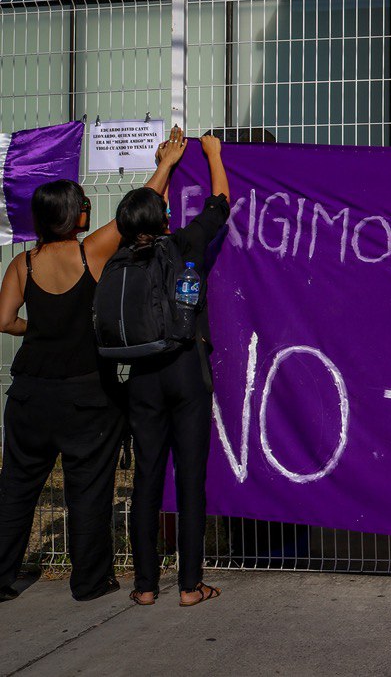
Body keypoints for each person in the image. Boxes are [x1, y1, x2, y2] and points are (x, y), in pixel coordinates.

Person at [0, 127, 188, 602]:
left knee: (16, 490)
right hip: (86, 396)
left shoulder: (22, 264)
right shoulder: (90, 253)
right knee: (88, 491)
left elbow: (4, 321)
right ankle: (89, 582)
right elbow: (139, 209)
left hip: (29, 395)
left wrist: (38, 332)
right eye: (82, 202)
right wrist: (166, 162)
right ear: (71, 213)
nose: (87, 207)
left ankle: (1, 578)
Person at [118, 132, 229, 608]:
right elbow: (220, 203)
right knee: (190, 479)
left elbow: (137, 213)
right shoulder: (185, 243)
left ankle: (144, 586)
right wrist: (212, 154)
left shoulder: (116, 258)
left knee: (146, 479)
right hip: (186, 368)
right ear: (165, 217)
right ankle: (189, 585)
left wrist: (162, 165)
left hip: (142, 375)